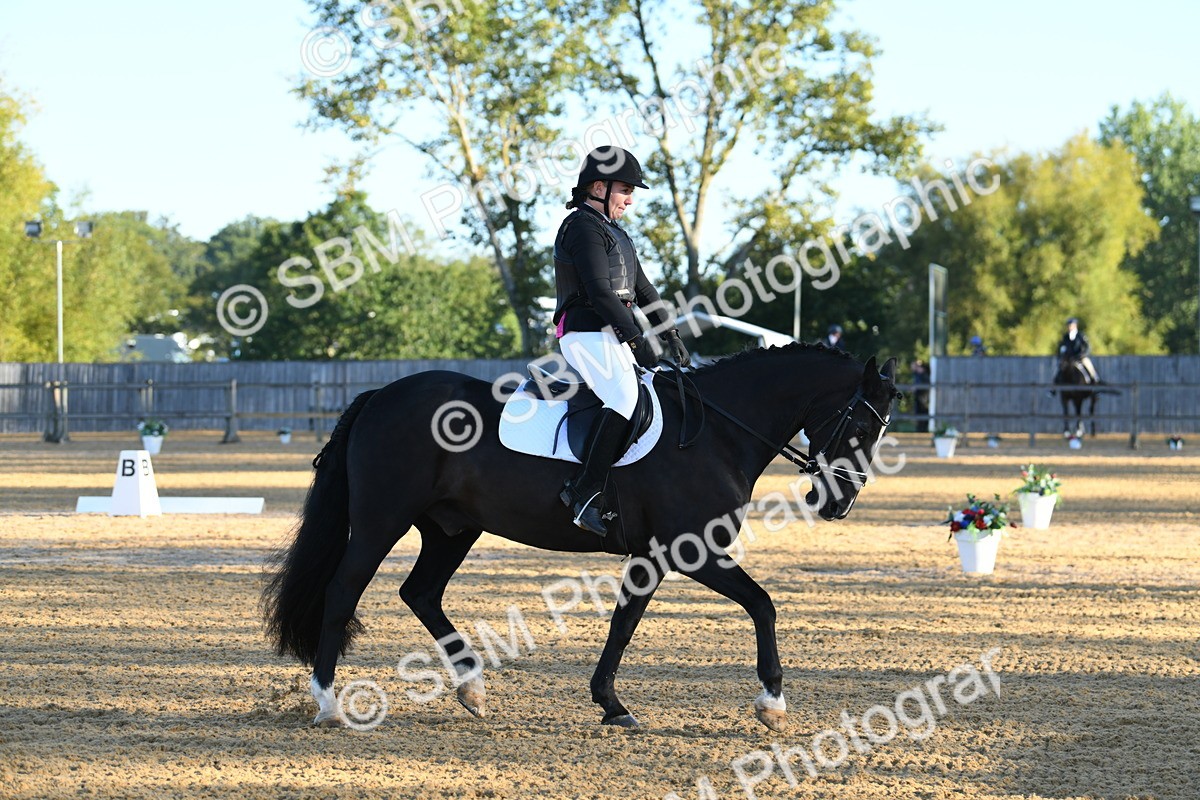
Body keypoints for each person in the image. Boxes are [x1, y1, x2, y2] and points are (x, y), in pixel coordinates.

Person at [551, 146, 690, 537]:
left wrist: (670, 332)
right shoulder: (582, 227)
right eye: (625, 190)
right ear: (599, 187)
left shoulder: (616, 232)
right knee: (625, 397)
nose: (630, 200)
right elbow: (599, 293)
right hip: (584, 333)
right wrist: (637, 339)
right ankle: (584, 492)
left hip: (610, 333)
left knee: (654, 393)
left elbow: (643, 289)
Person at [1058, 317, 1098, 383]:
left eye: (1070, 325)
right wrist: (1063, 355)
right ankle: (1057, 383)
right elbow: (1062, 347)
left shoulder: (1081, 336)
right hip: (1069, 358)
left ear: (1075, 325)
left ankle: (1094, 379)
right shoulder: (1066, 337)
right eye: (1068, 326)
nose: (1069, 327)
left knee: (1087, 363)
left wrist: (1082, 355)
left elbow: (1087, 347)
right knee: (1061, 367)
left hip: (1080, 357)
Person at [910, 359, 930, 433]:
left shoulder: (924, 375)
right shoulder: (917, 375)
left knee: (923, 412)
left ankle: (923, 430)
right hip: (919, 397)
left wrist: (916, 388)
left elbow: (924, 386)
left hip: (923, 397)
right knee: (918, 413)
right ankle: (919, 429)